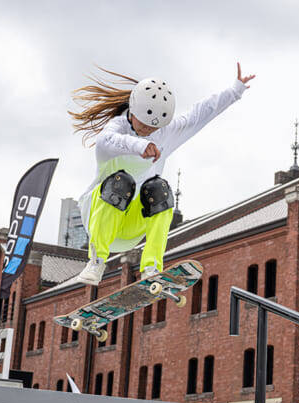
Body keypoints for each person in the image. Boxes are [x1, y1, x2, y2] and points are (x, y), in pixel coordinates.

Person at [70, 64, 256, 285]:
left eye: (154, 128)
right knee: (122, 182)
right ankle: (96, 262)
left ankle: (151, 267)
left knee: (159, 188)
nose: (149, 131)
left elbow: (200, 114)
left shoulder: (165, 133)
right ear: (133, 111)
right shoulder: (116, 129)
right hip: (97, 217)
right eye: (145, 125)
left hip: (131, 228)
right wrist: (139, 146)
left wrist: (234, 90)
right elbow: (106, 140)